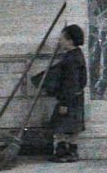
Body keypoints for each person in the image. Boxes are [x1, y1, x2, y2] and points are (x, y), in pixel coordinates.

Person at [32, 24, 87, 163]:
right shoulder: (77, 55)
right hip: (76, 98)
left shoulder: (70, 60)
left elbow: (71, 83)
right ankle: (72, 152)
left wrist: (64, 103)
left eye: (62, 39)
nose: (59, 41)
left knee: (60, 126)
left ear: (70, 41)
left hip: (69, 99)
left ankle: (63, 153)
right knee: (73, 127)